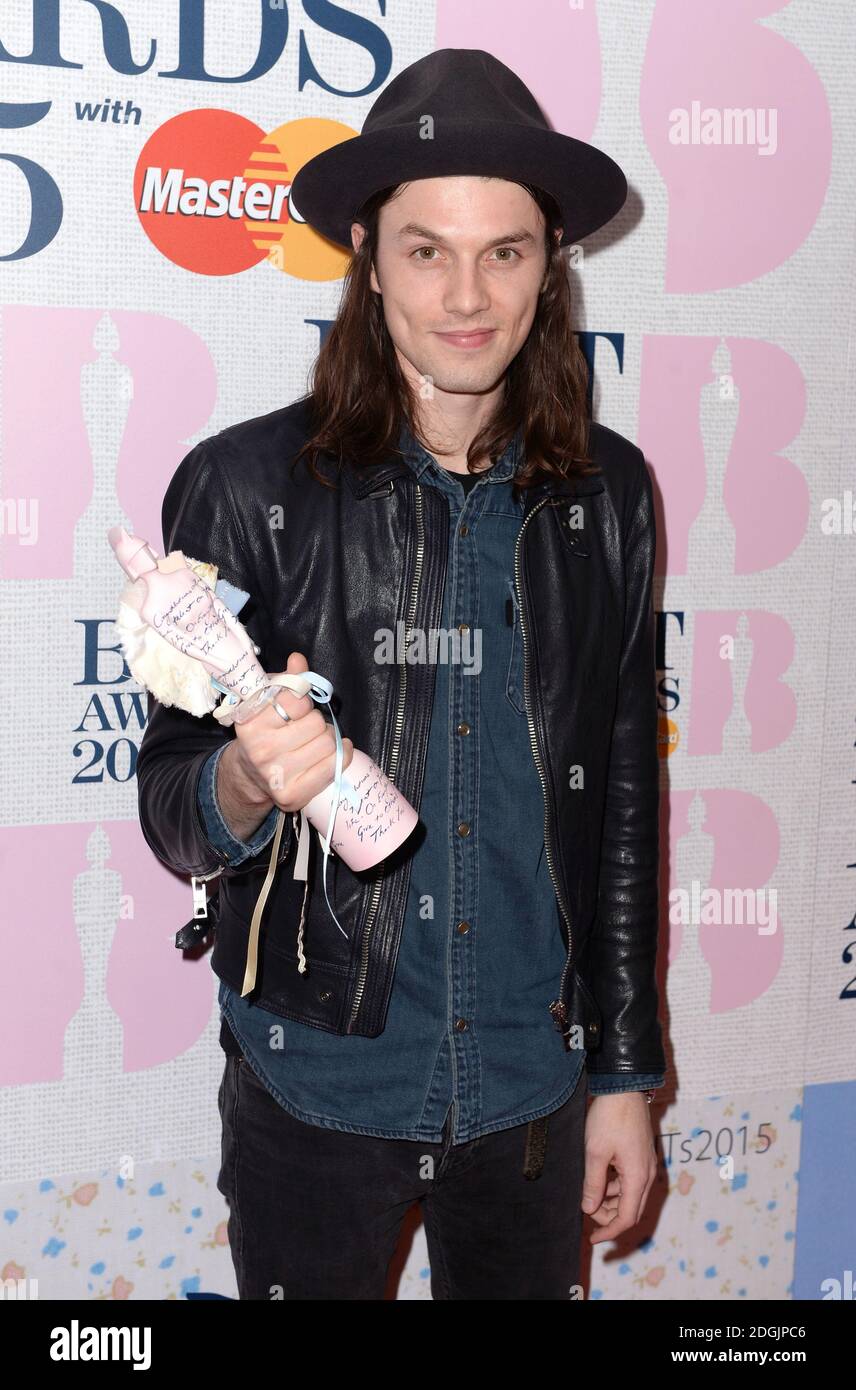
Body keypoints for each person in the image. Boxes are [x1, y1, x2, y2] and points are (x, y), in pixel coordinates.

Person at [136, 47, 667, 1300]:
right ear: (369, 255)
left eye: (507, 251)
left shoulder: (611, 495)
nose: (467, 294)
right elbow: (170, 806)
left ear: (551, 266)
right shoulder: (247, 488)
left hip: (532, 1100)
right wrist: (248, 783)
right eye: (427, 249)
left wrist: (627, 1076)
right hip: (318, 1083)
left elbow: (626, 803)